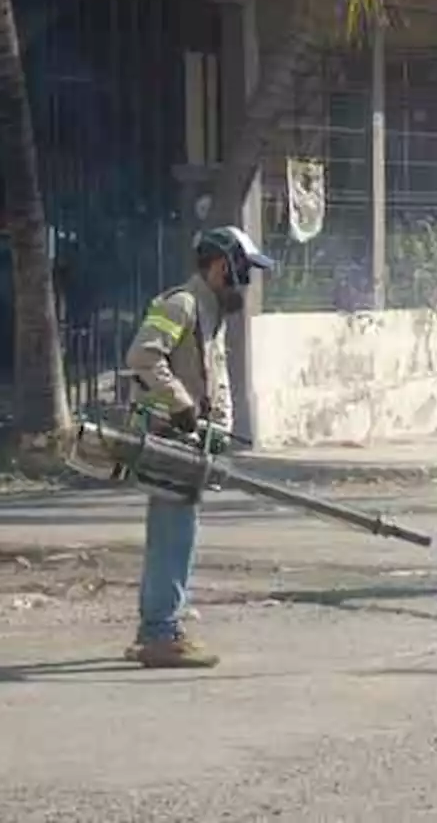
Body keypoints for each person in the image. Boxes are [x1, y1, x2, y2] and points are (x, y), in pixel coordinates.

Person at [121, 225, 274, 669]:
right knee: (173, 536)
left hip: (190, 442)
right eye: (243, 273)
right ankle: (160, 634)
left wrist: (217, 426)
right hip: (170, 439)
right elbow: (142, 356)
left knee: (175, 536)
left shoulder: (210, 313)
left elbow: (209, 376)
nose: (247, 283)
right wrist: (183, 407)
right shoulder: (182, 304)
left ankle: (159, 629)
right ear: (221, 266)